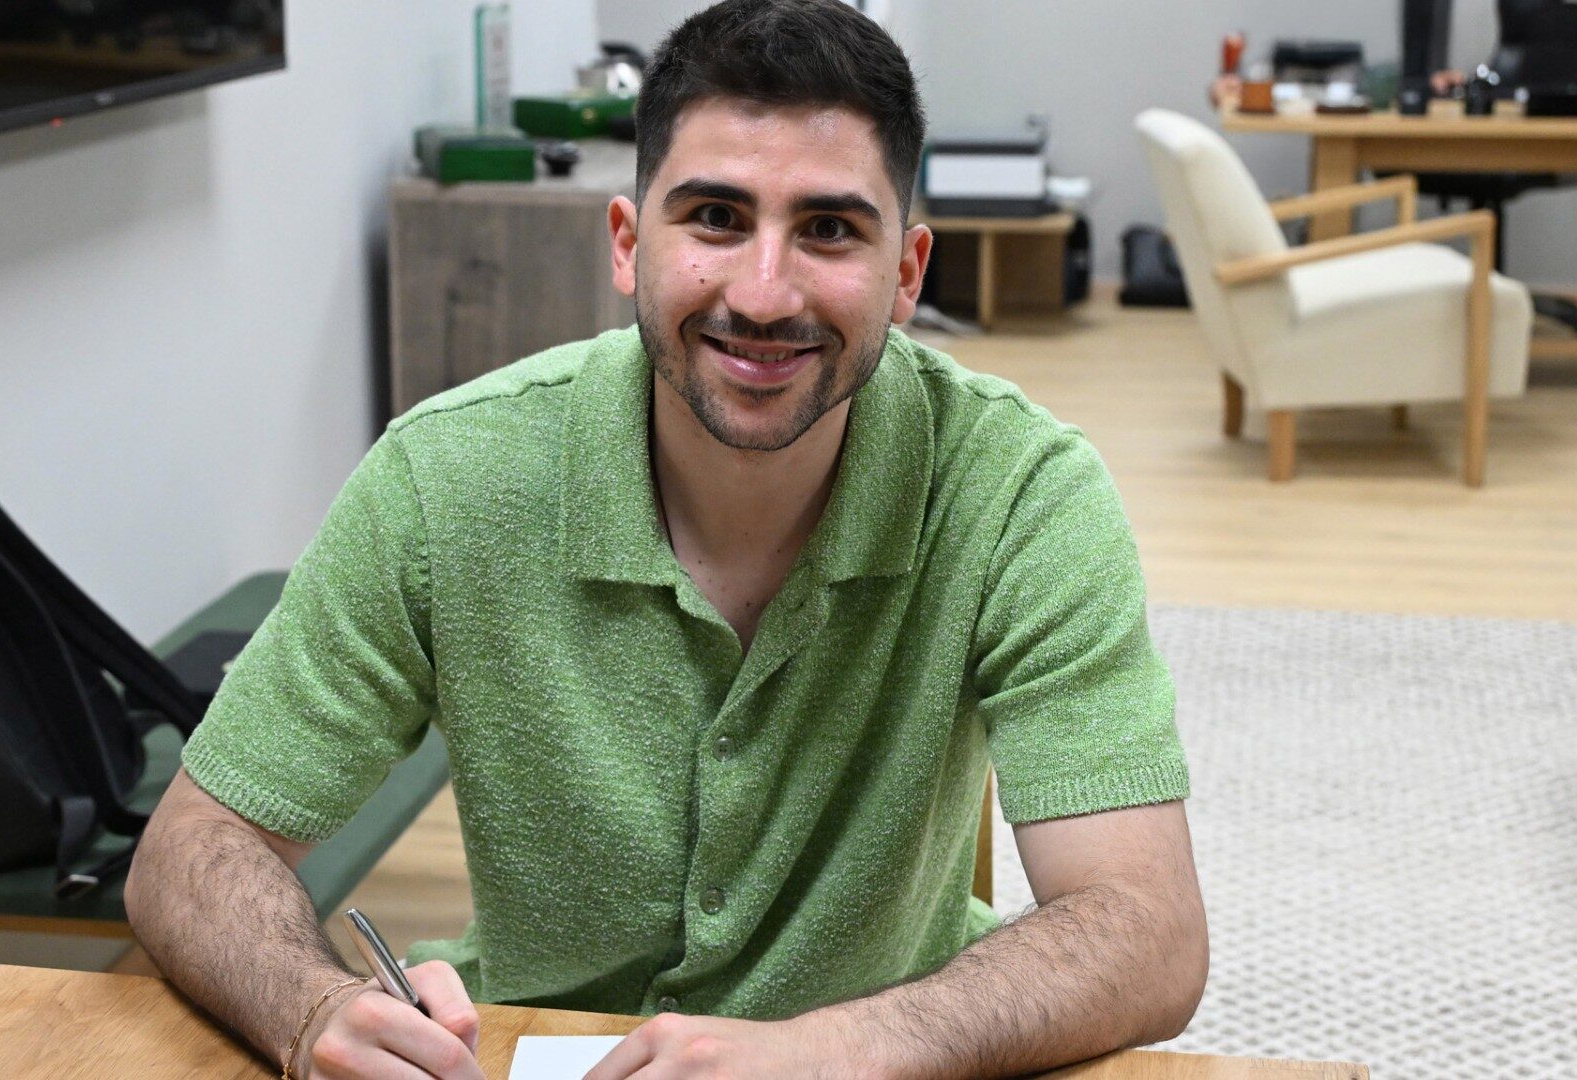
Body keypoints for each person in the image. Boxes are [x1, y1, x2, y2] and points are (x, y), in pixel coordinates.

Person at [125, 2, 1207, 1077]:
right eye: (716, 218)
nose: (765, 293)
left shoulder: (1022, 492)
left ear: (908, 274)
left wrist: (837, 1050)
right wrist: (314, 1007)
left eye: (830, 230)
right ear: (629, 244)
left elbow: (1147, 930)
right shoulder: (444, 478)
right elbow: (191, 850)